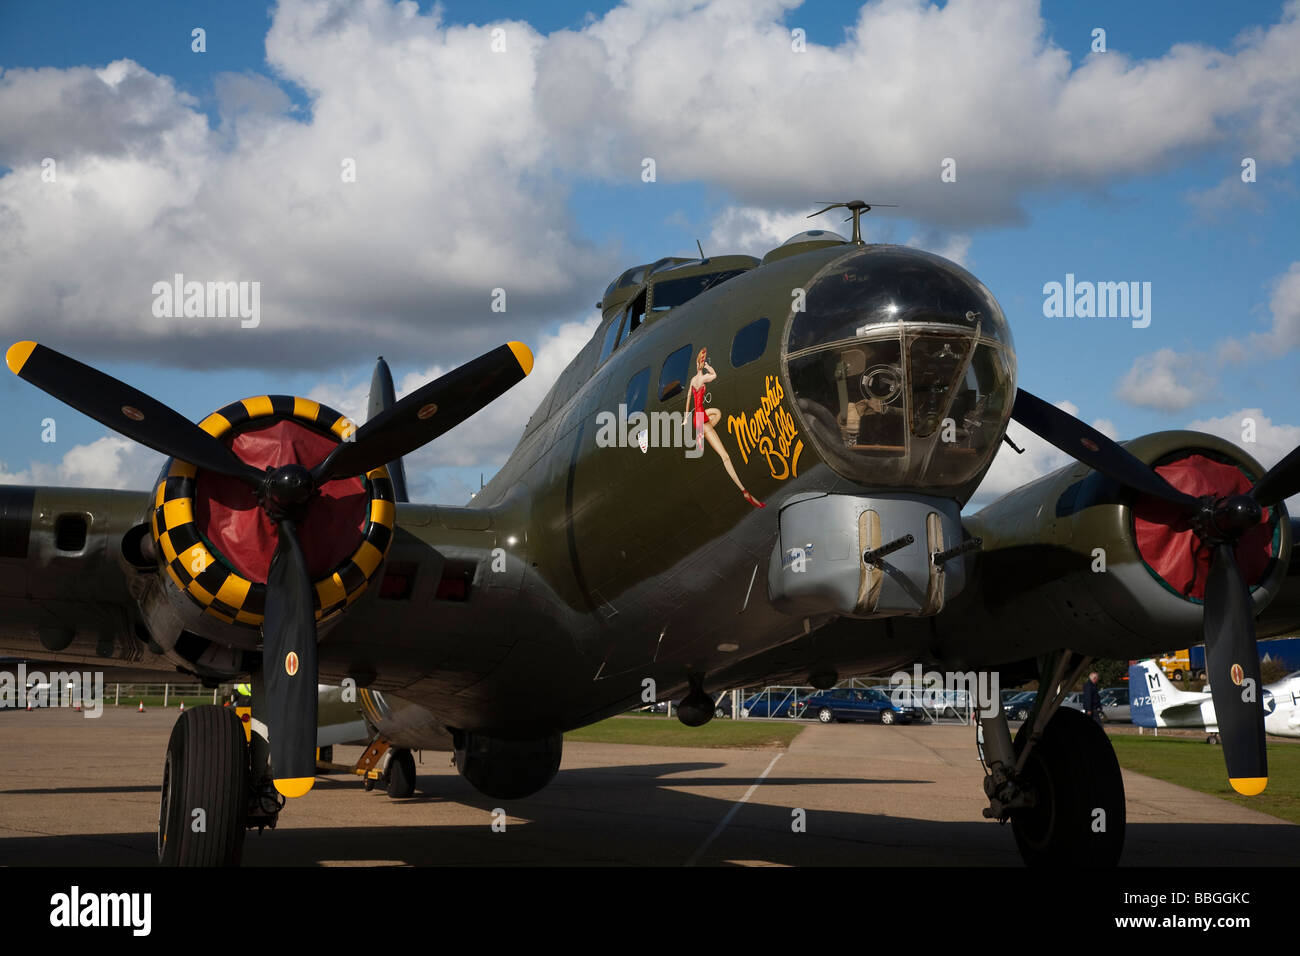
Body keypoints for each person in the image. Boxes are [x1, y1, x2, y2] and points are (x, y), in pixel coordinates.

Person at [685, 347, 764, 508]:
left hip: (699, 416)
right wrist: (708, 367)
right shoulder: (703, 378)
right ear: (700, 363)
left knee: (718, 413)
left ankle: (702, 435)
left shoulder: (694, 380)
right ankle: (743, 491)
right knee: (725, 456)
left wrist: (687, 416)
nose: (703, 363)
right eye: (702, 360)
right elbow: (714, 375)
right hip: (701, 419)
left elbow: (688, 397)